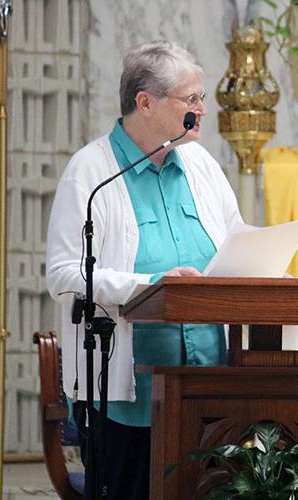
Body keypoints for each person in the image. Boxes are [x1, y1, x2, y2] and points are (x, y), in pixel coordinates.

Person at [45, 40, 243, 498]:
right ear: (146, 102)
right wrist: (151, 284)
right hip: (126, 393)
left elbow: (234, 236)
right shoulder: (90, 172)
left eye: (201, 98)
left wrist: (268, 263)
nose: (202, 110)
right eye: (191, 99)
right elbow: (62, 273)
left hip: (208, 385)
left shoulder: (201, 164)